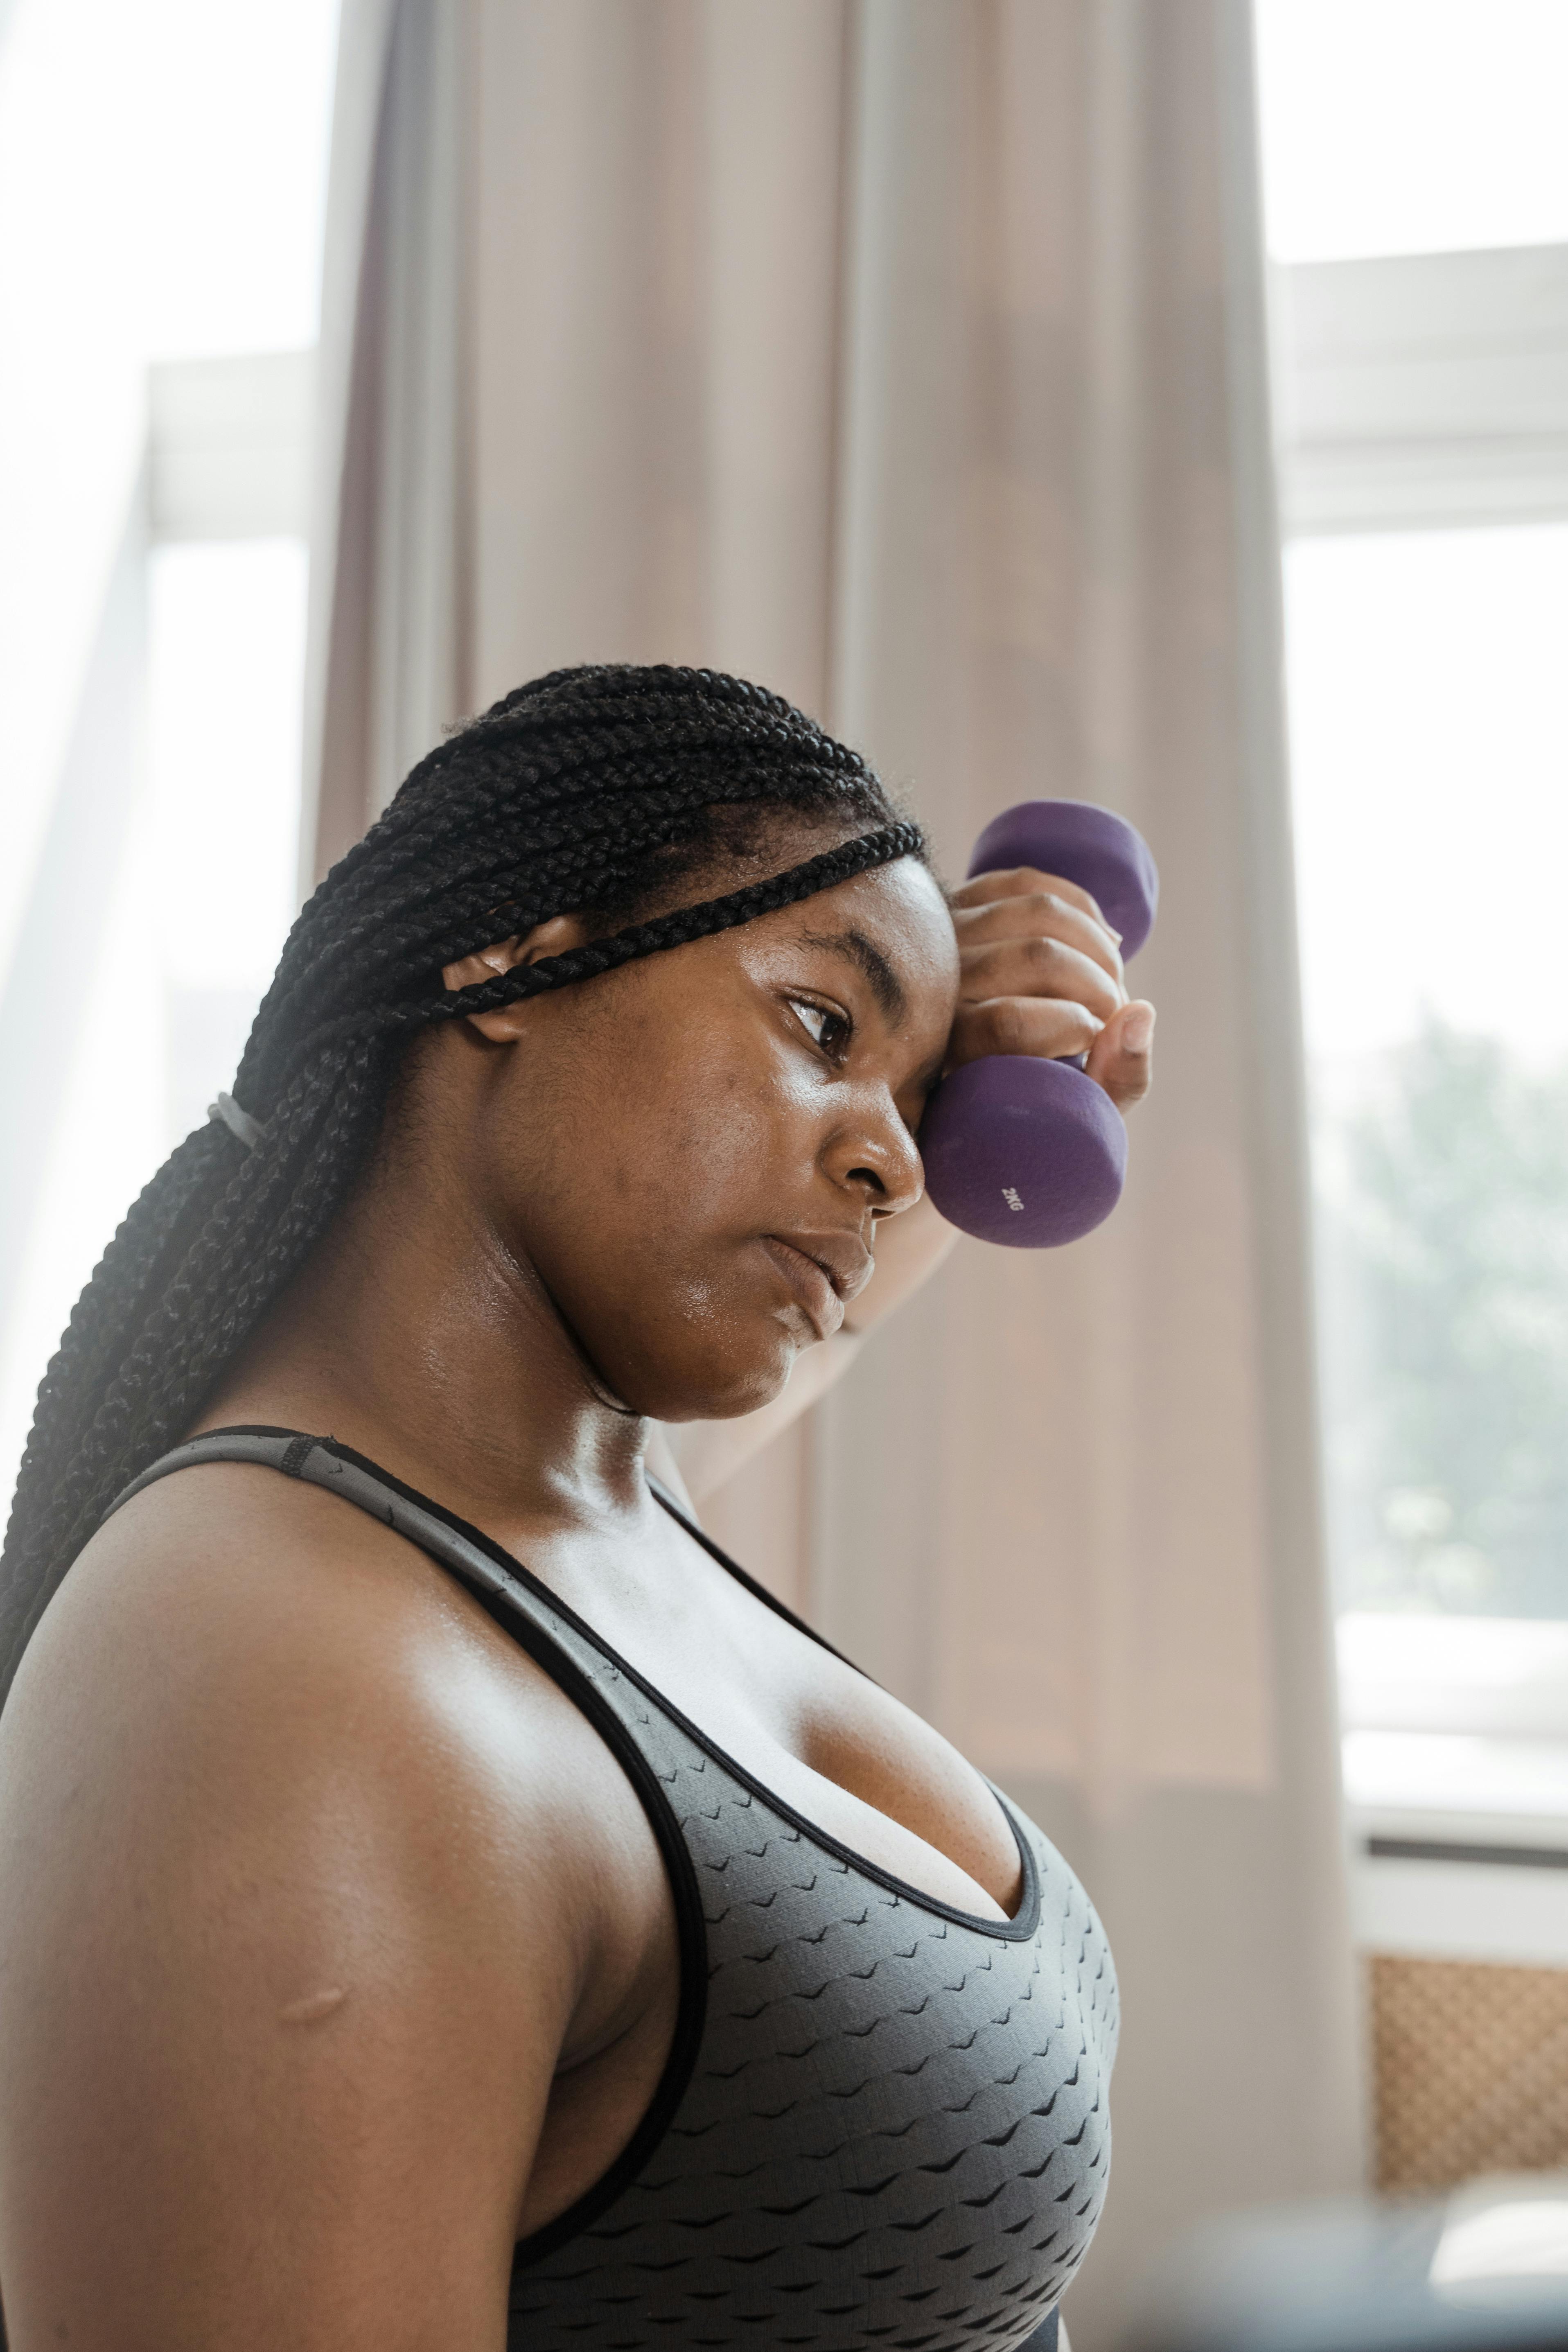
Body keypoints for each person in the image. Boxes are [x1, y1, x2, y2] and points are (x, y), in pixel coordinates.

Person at [0, 665, 1153, 2352]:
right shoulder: (278, 1688)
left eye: (916, 1111)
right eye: (819, 1025)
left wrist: (943, 1051)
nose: (893, 1161)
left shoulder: (574, 1516)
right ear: (516, 962)